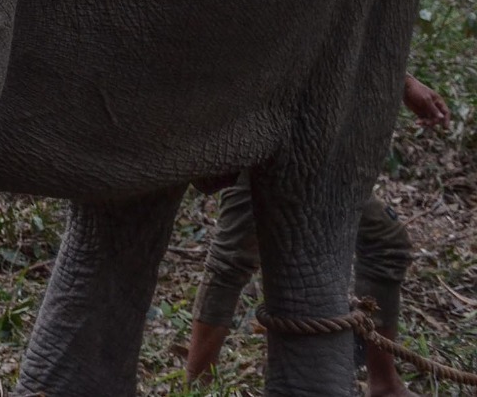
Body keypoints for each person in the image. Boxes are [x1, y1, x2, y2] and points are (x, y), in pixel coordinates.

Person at [185, 74, 452, 397]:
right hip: (269, 128)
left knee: (386, 242)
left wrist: (402, 83)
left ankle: (384, 383)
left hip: (321, 139)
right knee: (232, 259)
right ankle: (196, 387)